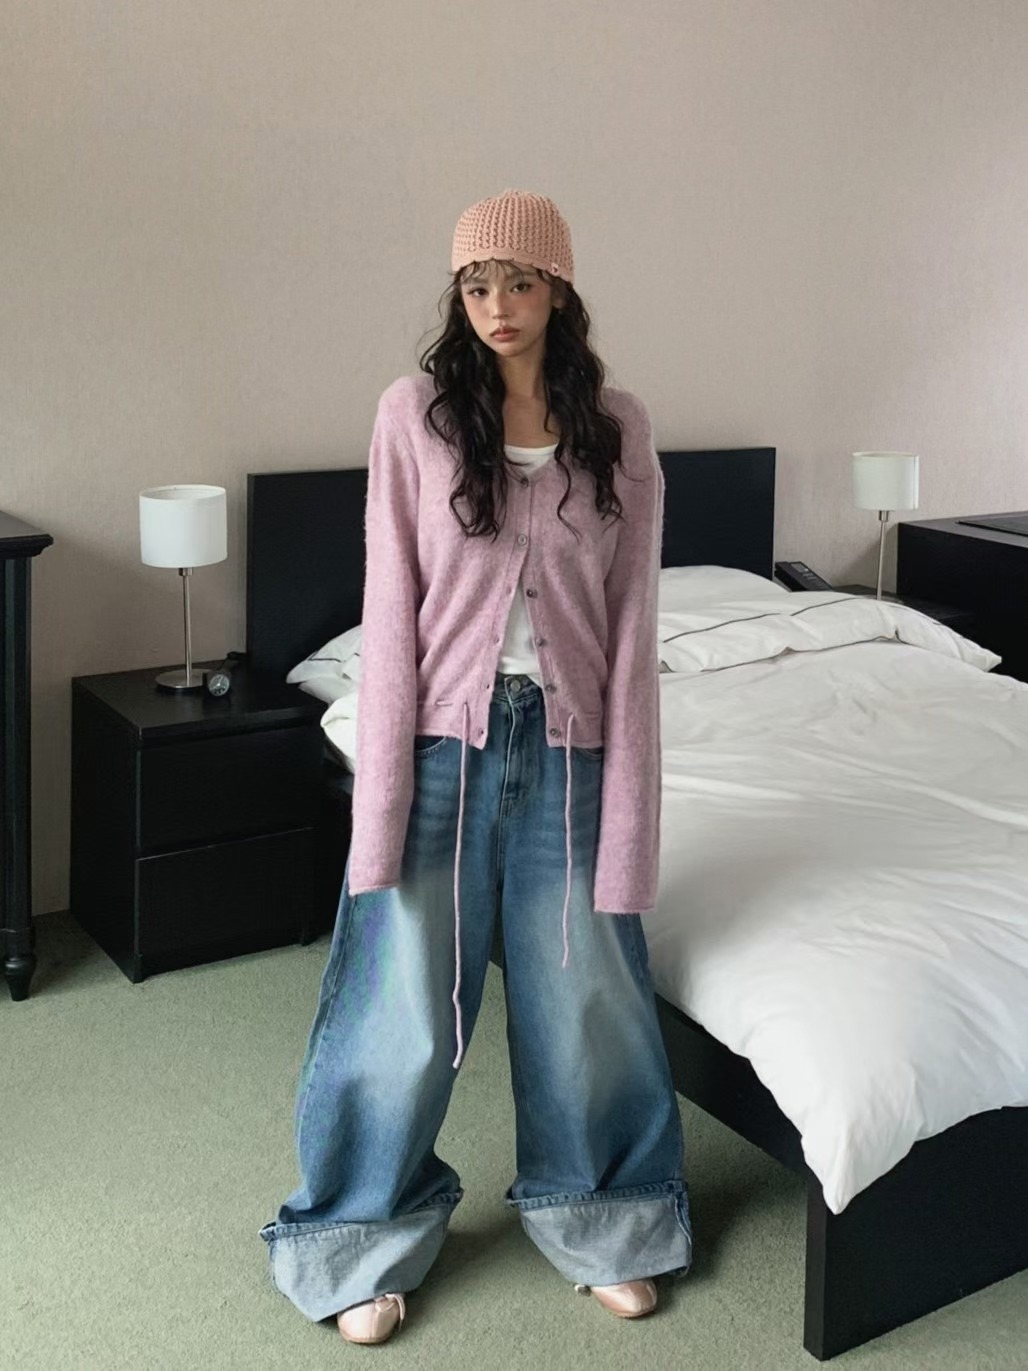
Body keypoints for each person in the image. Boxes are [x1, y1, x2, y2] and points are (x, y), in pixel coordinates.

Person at [259, 188, 692, 1346]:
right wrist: (384, 795)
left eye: (519, 280)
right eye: (474, 283)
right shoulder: (414, 416)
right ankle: (358, 1234)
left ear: (558, 289)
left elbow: (633, 625)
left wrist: (629, 813)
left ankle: (601, 1214)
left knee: (586, 994)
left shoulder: (618, 427)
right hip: (443, 745)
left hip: (569, 745)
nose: (496, 303)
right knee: (400, 999)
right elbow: (389, 606)